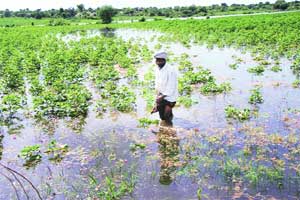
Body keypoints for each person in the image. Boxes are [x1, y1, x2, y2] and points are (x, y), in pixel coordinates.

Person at [151, 52, 179, 125]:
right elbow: (158, 84)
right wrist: (156, 102)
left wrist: (162, 96)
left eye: (159, 60)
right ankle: (167, 126)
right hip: (160, 95)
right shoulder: (157, 69)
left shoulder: (171, 70)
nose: (157, 62)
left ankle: (169, 129)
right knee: (162, 117)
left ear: (164, 60)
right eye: (157, 60)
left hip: (170, 97)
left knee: (166, 116)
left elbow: (171, 86)